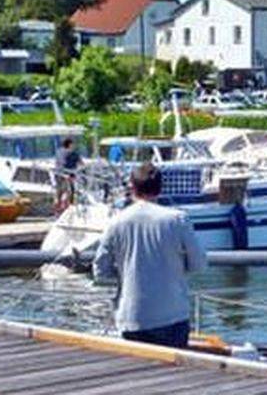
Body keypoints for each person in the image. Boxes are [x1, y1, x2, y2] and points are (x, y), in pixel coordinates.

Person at [93, 163, 207, 349]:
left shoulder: (116, 222)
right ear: (160, 188)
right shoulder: (178, 219)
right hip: (172, 316)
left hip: (132, 318)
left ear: (132, 187)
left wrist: (127, 273)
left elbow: (100, 271)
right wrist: (173, 268)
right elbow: (199, 264)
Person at [54, 137, 81, 212]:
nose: (74, 146)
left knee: (59, 192)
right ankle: (68, 208)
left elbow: (59, 163)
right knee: (70, 191)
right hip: (68, 175)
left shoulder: (58, 151)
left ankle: (57, 208)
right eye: (73, 144)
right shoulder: (73, 153)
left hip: (58, 174)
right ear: (70, 145)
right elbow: (81, 163)